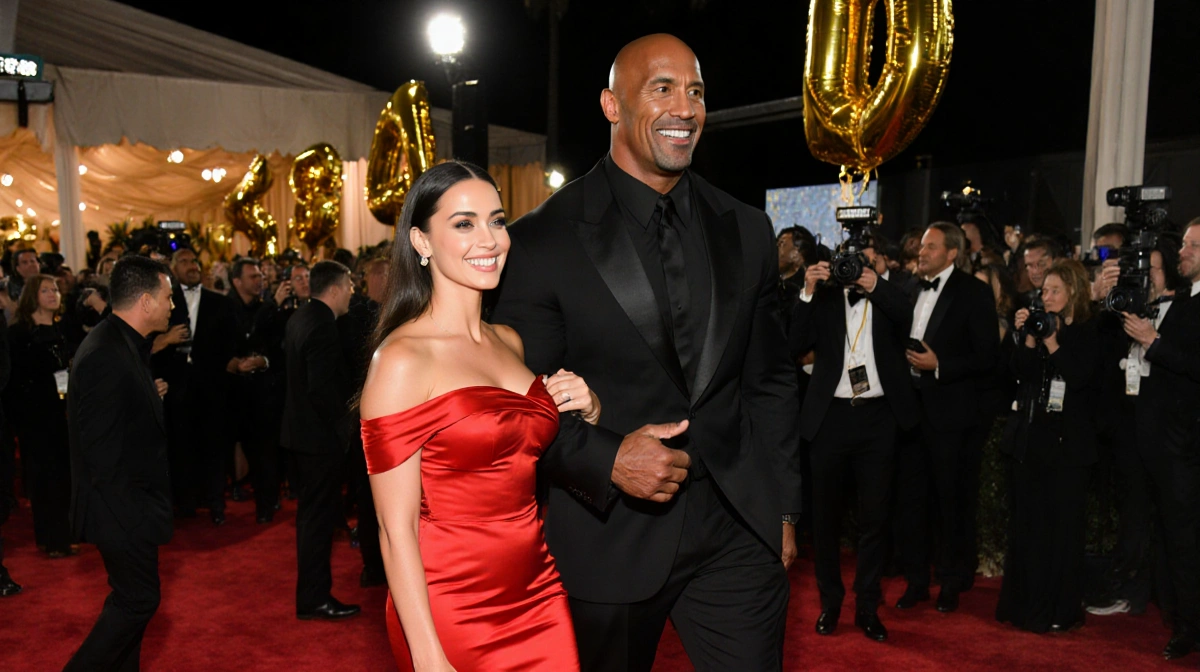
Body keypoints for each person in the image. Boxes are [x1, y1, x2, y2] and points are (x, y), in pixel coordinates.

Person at [491, 34, 801, 672]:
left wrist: (784, 506)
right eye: (661, 88)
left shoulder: (745, 228)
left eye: (695, 91)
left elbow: (769, 380)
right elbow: (516, 400)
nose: (684, 107)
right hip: (609, 533)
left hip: (738, 527)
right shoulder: (542, 240)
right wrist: (608, 460)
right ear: (611, 104)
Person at [360, 161, 592, 669]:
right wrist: (427, 657)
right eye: (463, 223)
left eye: (497, 220)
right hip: (450, 607)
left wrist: (584, 406)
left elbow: (515, 445)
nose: (489, 239)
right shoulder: (401, 360)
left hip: (538, 590)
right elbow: (393, 529)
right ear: (421, 242)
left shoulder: (508, 340)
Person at [789, 249, 917, 642]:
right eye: (847, 260)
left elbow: (906, 312)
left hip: (879, 419)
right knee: (824, 521)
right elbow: (793, 341)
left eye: (863, 259)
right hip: (830, 419)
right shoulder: (824, 297)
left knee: (875, 519)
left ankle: (867, 606)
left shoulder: (889, 294)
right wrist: (807, 290)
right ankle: (830, 603)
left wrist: (875, 283)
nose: (853, 267)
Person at [64, 255, 173, 672]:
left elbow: (119, 416)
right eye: (166, 297)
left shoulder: (121, 341)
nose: (172, 306)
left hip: (130, 504)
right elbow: (101, 454)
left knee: (135, 601)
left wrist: (149, 395)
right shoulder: (105, 354)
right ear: (145, 302)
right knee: (138, 600)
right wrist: (134, 519)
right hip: (121, 508)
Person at [894, 222, 999, 613]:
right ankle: (917, 581)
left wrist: (941, 365)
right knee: (911, 502)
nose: (922, 252)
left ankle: (952, 581)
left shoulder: (974, 293)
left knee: (950, 501)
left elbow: (988, 357)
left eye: (931, 247)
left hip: (951, 416)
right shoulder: (908, 289)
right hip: (909, 413)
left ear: (953, 253)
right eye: (921, 246)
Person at [996, 259, 1099, 633]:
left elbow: (1080, 377)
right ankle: (1023, 607)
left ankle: (1059, 610)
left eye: (1055, 290)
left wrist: (1053, 342)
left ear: (1074, 292)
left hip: (1069, 449)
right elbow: (1019, 375)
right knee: (1028, 529)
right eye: (1045, 291)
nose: (1048, 296)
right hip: (1031, 443)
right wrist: (1027, 335)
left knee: (1062, 533)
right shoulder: (1039, 328)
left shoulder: (1089, 330)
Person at [1118, 219, 1200, 660]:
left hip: (1185, 443)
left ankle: (1188, 625)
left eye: (1190, 246)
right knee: (1172, 536)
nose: (1181, 252)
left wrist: (1154, 341)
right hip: (1160, 440)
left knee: (1185, 539)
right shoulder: (1182, 302)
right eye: (1184, 244)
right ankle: (1179, 616)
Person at [280, 260, 361, 621]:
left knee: (313, 520)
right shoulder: (323, 325)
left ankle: (312, 595)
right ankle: (314, 598)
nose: (353, 292)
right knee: (318, 522)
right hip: (318, 440)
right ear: (336, 288)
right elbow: (322, 390)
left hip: (301, 436)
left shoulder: (302, 317)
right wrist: (347, 428)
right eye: (350, 286)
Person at [154, 248, 237, 519]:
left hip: (211, 387)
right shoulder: (163, 301)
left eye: (194, 262)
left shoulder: (220, 302)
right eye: (185, 261)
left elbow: (228, 346)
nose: (191, 266)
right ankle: (185, 503)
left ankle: (216, 503)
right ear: (174, 269)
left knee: (214, 446)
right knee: (180, 445)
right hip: (175, 386)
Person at [8, 275, 76, 558]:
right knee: (43, 477)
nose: (53, 294)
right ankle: (50, 538)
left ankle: (67, 534)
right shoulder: (19, 334)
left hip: (63, 413)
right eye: (45, 290)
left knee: (65, 475)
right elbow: (15, 380)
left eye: (55, 290)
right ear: (31, 296)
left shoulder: (62, 330)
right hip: (35, 417)